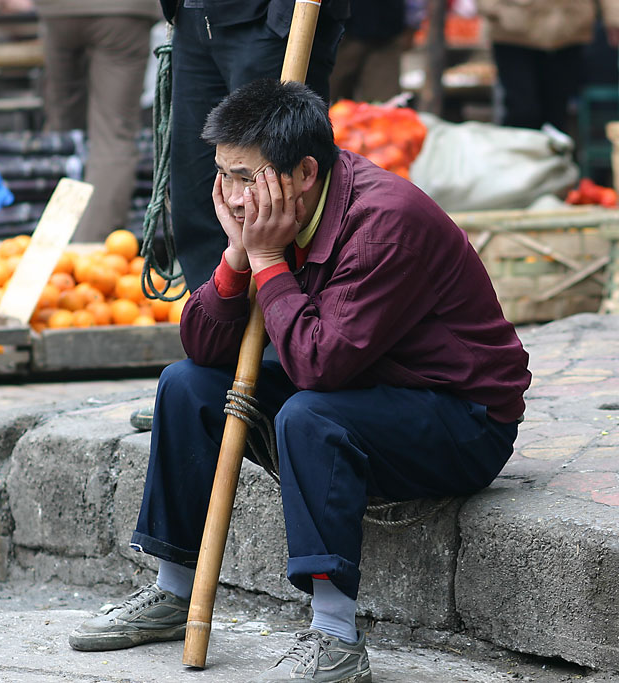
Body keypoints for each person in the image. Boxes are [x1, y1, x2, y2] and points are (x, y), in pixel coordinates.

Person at [69, 78, 531, 682]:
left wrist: (264, 258)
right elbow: (203, 346)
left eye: (244, 176)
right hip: (362, 385)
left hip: (460, 420)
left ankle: (336, 635)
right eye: (222, 175)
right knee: (186, 384)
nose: (232, 196)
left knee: (308, 414)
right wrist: (239, 256)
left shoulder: (385, 223)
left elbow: (320, 367)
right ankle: (171, 591)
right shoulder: (274, 214)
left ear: (305, 173)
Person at [158, 0, 350, 293]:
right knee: (196, 199)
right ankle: (216, 324)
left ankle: (285, 326)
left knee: (274, 192)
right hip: (194, 15)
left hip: (268, 18)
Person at [34, 0, 161, 242]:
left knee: (65, 134)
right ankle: (86, 251)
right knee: (113, 134)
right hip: (121, 12)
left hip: (57, 11)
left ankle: (51, 247)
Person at [477, 0, 619, 133]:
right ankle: (519, 156)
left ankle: (553, 156)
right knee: (522, 111)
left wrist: (615, 16)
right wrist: (492, 7)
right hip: (514, 26)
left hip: (568, 26)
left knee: (557, 112)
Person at [328, 0, 412, 104]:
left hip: (386, 35)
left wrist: (412, 21)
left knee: (382, 106)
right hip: (340, 33)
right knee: (325, 101)